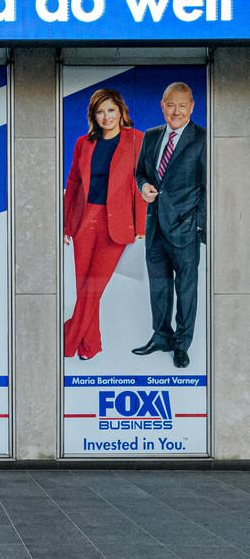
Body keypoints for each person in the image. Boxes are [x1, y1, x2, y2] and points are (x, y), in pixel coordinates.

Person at [63, 89, 146, 360]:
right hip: (84, 219)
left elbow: (140, 184)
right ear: (93, 116)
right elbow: (73, 183)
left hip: (118, 223)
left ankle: (68, 340)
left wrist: (141, 226)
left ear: (121, 111)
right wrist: (66, 225)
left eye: (111, 110)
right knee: (83, 284)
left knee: (94, 285)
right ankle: (91, 345)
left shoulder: (136, 140)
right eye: (100, 111)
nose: (106, 116)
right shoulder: (83, 143)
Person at [132, 82, 206, 369]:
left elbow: (208, 185)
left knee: (186, 290)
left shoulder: (202, 138)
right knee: (159, 287)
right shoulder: (151, 137)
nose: (176, 111)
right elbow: (140, 172)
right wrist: (145, 186)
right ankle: (161, 335)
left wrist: (198, 226)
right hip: (155, 228)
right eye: (171, 105)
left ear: (191, 107)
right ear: (162, 105)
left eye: (182, 105)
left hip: (186, 229)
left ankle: (181, 345)